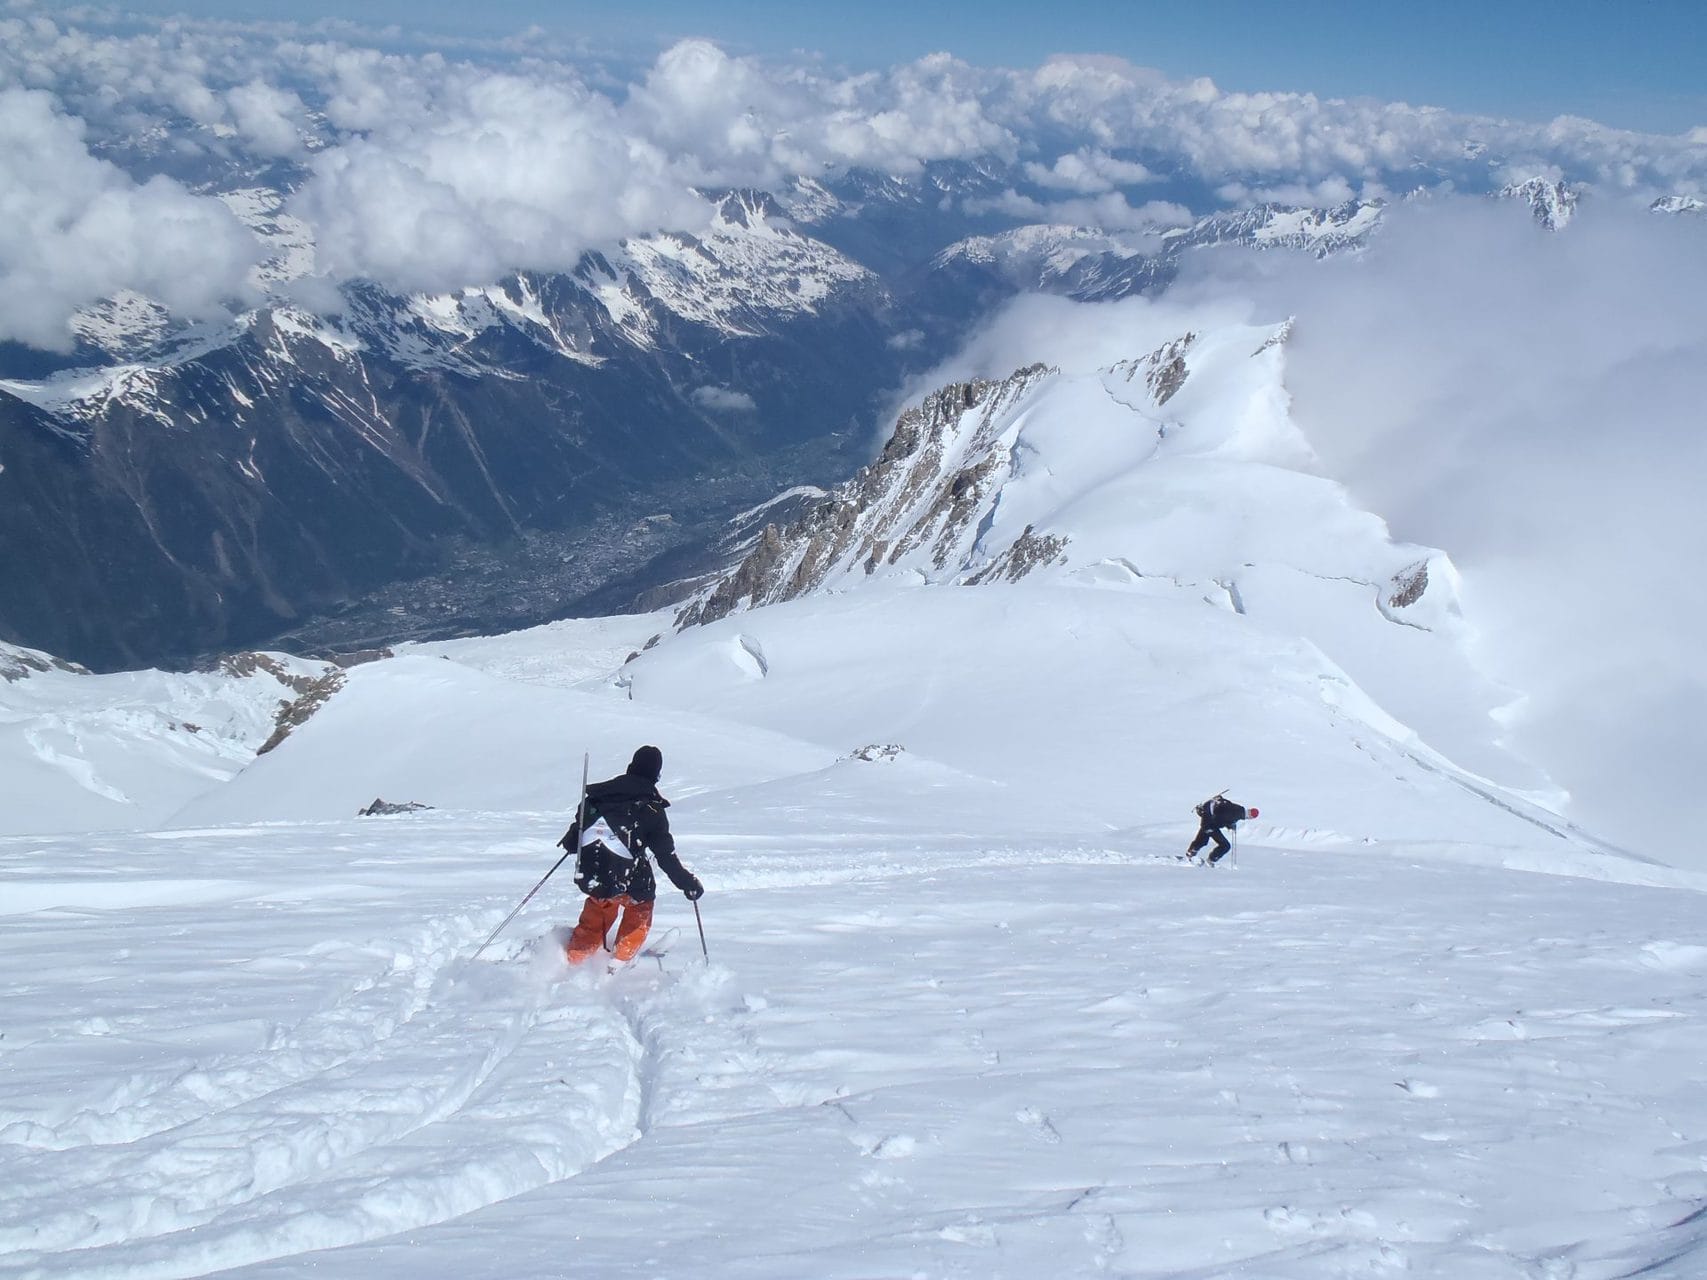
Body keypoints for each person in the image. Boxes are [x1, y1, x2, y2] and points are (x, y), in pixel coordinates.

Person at [558, 745, 703, 965]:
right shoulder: (651, 809)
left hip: (594, 874)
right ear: (656, 775)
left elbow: (573, 841)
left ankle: (575, 960)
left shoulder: (596, 798)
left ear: (630, 767)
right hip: (627, 880)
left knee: (601, 902)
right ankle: (620, 961)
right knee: (641, 901)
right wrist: (687, 883)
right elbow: (665, 856)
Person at [1186, 793, 1258, 865]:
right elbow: (1222, 817)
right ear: (1251, 817)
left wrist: (1229, 824)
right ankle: (1210, 860)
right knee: (1225, 846)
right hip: (1210, 824)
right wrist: (1228, 824)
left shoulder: (1239, 810)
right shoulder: (1237, 814)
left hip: (1208, 822)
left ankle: (1190, 854)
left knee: (1202, 840)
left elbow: (1225, 812)